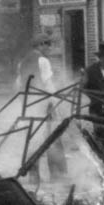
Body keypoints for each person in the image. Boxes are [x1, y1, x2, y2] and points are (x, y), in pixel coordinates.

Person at [16, 32, 68, 185]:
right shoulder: (43, 60)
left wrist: (24, 102)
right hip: (43, 104)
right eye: (47, 44)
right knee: (54, 137)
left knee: (34, 139)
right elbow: (48, 84)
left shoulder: (22, 62)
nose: (50, 47)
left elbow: (19, 85)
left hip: (30, 104)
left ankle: (34, 175)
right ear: (40, 45)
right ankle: (58, 174)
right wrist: (54, 103)